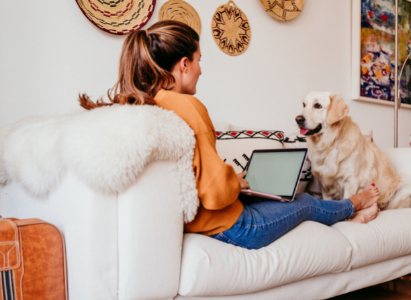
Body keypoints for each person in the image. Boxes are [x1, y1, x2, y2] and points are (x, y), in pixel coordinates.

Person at [78, 20, 380, 250]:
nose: (200, 70)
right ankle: (358, 203)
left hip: (199, 222)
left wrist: (232, 177)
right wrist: (235, 181)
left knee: (281, 196)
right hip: (232, 226)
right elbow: (215, 193)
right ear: (184, 65)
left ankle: (351, 207)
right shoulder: (187, 106)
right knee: (304, 201)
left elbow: (197, 175)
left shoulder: (149, 102)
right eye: (198, 60)